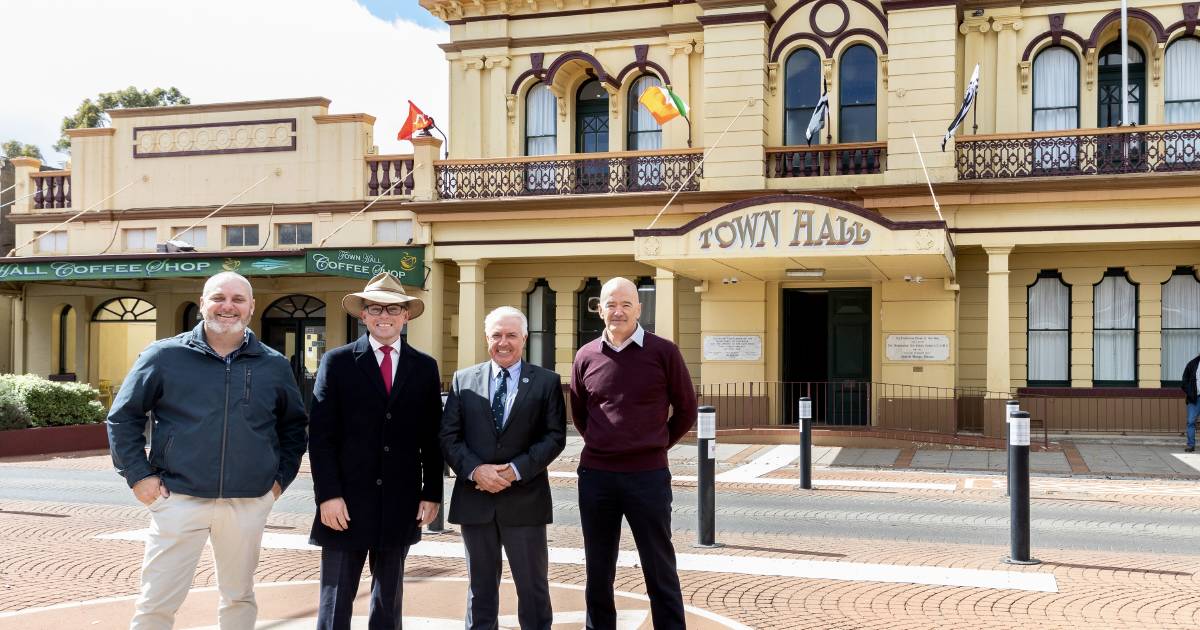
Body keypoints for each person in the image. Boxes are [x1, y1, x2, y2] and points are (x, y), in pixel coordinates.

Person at [107, 271, 308, 630]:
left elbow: (294, 426)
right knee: (156, 601)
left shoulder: (272, 364)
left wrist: (276, 484)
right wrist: (139, 478)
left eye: (237, 299)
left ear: (251, 308)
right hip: (177, 497)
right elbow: (123, 418)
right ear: (202, 304)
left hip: (247, 502)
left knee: (239, 597)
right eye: (218, 298)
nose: (227, 306)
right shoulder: (163, 355)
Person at [308, 271, 444, 629]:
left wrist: (431, 492)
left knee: (388, 601)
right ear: (363, 315)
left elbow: (432, 437)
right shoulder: (336, 363)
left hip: (400, 503)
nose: (384, 316)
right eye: (375, 309)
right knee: (336, 599)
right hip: (345, 504)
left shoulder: (425, 368)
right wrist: (328, 496)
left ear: (406, 316)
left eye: (393, 309)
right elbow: (321, 436)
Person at [570, 276, 697, 629]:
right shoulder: (586, 356)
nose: (618, 311)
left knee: (659, 566)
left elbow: (686, 409)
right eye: (611, 304)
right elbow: (581, 414)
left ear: (639, 309)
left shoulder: (663, 352)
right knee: (598, 569)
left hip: (648, 477)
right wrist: (606, 444)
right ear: (599, 309)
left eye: (626, 304)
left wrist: (654, 443)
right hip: (597, 477)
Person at [440, 306, 567, 630]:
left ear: (524, 338)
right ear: (487, 338)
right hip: (475, 501)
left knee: (533, 590)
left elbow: (554, 437)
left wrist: (514, 470)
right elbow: (449, 436)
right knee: (480, 591)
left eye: (511, 335)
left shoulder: (546, 382)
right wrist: (475, 470)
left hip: (526, 501)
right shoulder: (463, 380)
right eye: (497, 335)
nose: (503, 342)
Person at [1183, 352, 1199, 453]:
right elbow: (1184, 382)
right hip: (1195, 398)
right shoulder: (1192, 364)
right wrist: (1191, 393)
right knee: (1191, 421)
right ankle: (1190, 445)